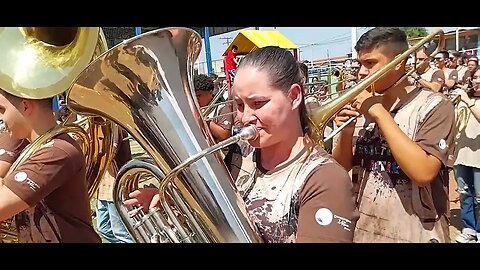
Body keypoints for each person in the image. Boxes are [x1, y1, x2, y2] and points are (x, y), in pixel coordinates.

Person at [126, 46, 359, 243]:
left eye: (258, 103)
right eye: (239, 105)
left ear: (294, 96)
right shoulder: (240, 155)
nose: (245, 117)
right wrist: (173, 205)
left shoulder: (325, 180)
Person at [332, 27, 455, 243]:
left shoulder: (434, 106)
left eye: (370, 63)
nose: (360, 72)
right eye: (360, 63)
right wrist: (346, 131)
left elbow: (423, 172)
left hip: (418, 232)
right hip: (364, 231)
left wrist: (379, 113)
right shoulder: (363, 104)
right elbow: (341, 168)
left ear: (398, 62)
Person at [0, 89, 101, 243]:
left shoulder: (57, 151)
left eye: (2, 110)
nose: (1, 118)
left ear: (25, 106)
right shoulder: (35, 148)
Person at [449, 73, 480, 243]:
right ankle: (469, 229)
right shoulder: (464, 100)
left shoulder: (468, 101)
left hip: (478, 157)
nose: (478, 81)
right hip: (462, 155)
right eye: (476, 77)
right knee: (465, 194)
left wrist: (467, 101)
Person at [95, 126, 135, 243]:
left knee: (121, 232)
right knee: (104, 229)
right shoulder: (96, 126)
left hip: (116, 185)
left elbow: (110, 152)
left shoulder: (112, 125)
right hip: (102, 187)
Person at [195, 73, 233, 143]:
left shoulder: (221, 108)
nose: (196, 99)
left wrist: (205, 120)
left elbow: (224, 135)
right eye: (195, 96)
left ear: (210, 92)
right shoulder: (194, 108)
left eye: (199, 95)